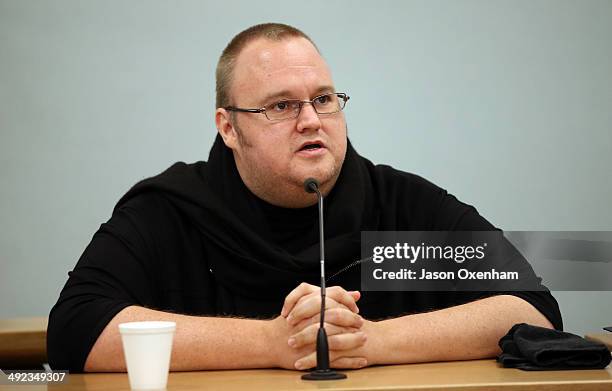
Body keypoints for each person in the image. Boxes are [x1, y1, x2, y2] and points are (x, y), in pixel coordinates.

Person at [47, 23, 562, 373]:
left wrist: (368, 342)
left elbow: (532, 310)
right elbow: (75, 329)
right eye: (281, 106)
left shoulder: (402, 207)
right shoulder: (172, 211)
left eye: (323, 99)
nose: (312, 119)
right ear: (228, 127)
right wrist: (274, 343)